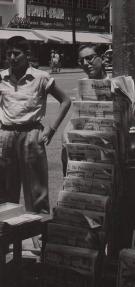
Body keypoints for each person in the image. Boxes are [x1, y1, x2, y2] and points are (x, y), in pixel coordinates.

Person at [0, 36, 71, 213]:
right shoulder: (1, 77)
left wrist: (52, 129)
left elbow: (65, 100)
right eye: (8, 54)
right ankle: (8, 236)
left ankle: (40, 236)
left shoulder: (41, 77)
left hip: (31, 136)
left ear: (27, 54)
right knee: (5, 193)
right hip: (6, 136)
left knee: (36, 192)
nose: (12, 58)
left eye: (16, 54)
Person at [61, 44, 108, 175]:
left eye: (90, 58)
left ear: (102, 59)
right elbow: (75, 115)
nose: (86, 63)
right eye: (81, 60)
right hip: (84, 140)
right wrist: (65, 133)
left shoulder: (114, 84)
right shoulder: (82, 84)